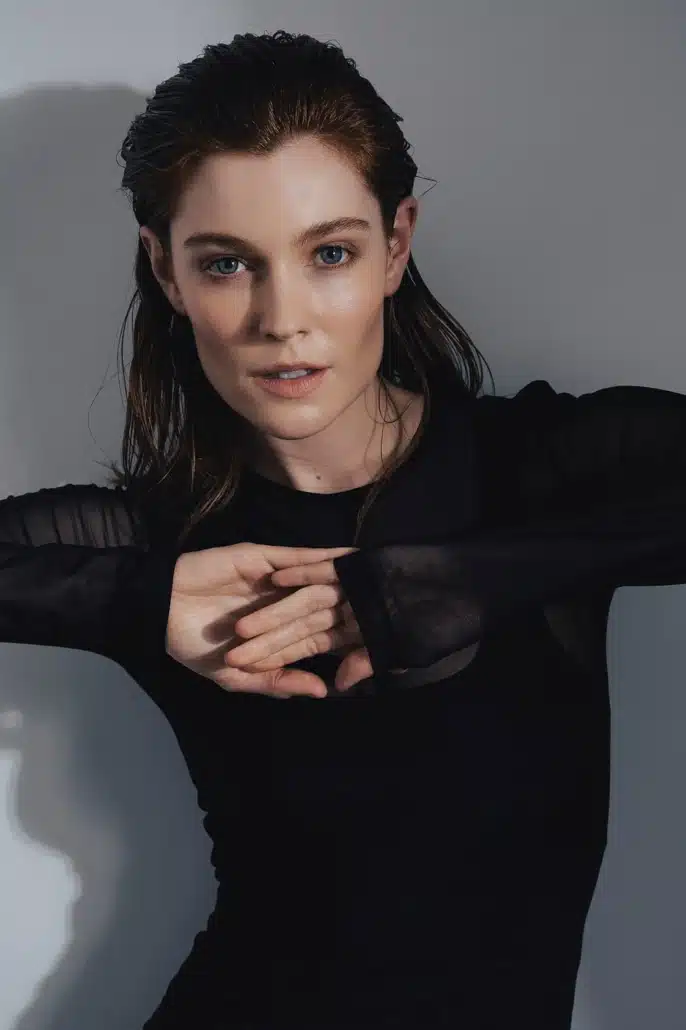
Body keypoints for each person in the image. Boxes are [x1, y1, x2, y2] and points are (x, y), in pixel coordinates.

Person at [2, 29, 686, 1030]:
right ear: (166, 271)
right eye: (226, 263)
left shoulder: (536, 468)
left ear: (395, 244)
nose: (283, 319)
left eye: (329, 253)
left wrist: (474, 579)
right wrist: (140, 597)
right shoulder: (158, 540)